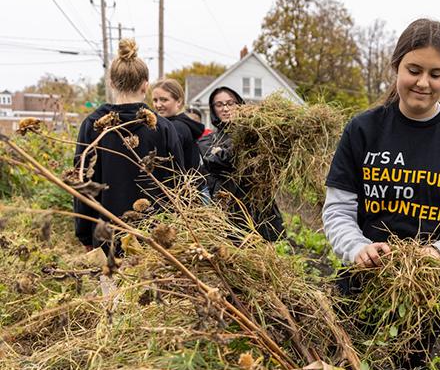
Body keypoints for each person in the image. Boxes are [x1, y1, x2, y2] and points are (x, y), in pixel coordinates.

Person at [322, 18, 440, 368]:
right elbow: (338, 210)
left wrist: (439, 255)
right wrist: (357, 249)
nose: (423, 83)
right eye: (413, 70)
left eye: (435, 73)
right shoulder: (363, 130)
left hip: (423, 295)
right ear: (396, 66)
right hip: (361, 285)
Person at [73, 39, 184, 251]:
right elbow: (177, 182)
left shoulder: (92, 126)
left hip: (106, 236)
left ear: (111, 83)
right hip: (155, 238)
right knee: (151, 284)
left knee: (110, 284)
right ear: (146, 85)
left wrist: (84, 234)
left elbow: (82, 183)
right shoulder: (163, 128)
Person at [198, 86, 285, 241]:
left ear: (239, 105)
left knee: (261, 253)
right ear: (213, 110)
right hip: (227, 206)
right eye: (219, 105)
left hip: (257, 205)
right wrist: (236, 150)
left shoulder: (256, 135)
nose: (225, 108)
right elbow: (220, 161)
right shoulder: (207, 141)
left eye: (230, 103)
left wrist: (224, 151)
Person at [151, 78, 205, 171]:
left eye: (164, 100)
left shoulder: (176, 127)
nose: (158, 105)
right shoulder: (180, 124)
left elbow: (171, 167)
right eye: (155, 100)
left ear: (179, 101)